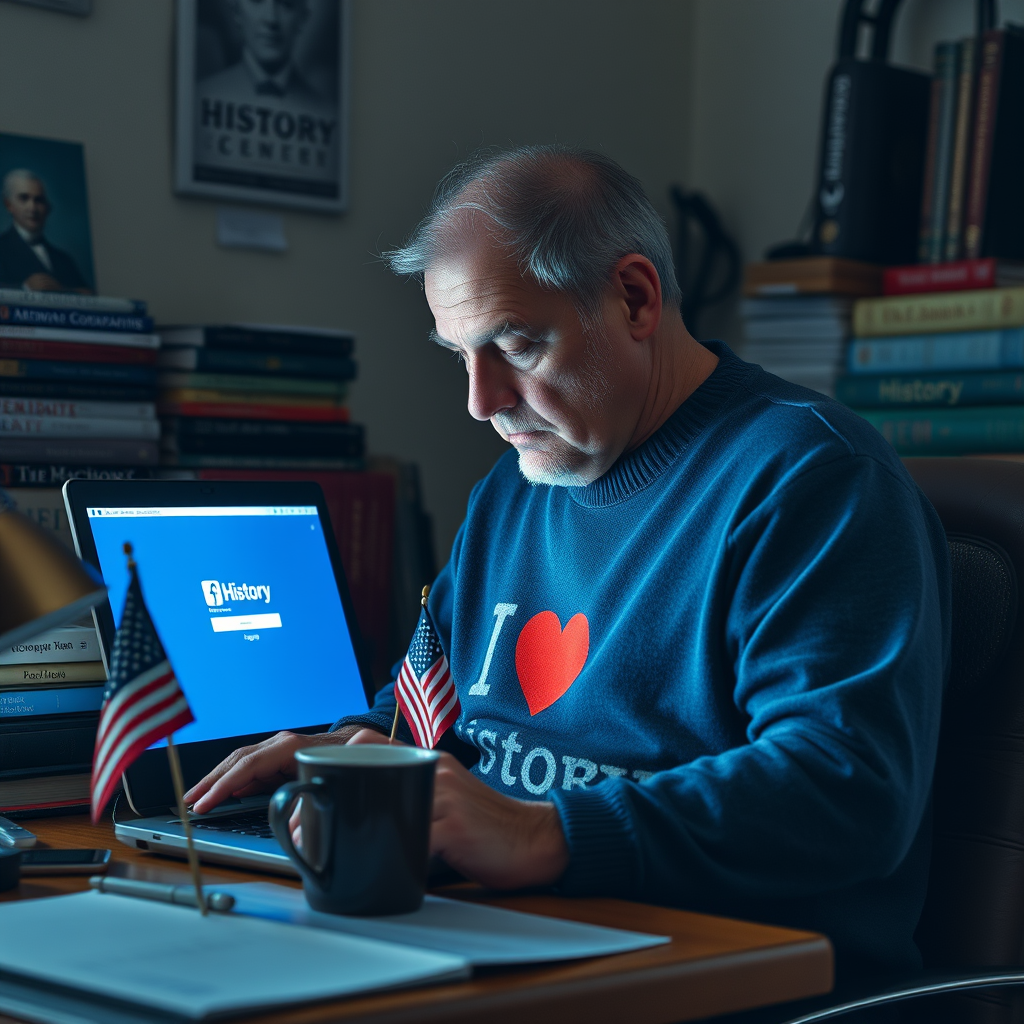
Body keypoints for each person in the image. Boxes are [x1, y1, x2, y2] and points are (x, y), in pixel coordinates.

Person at [186, 146, 950, 998]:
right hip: (512, 940)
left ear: (634, 298)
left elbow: (846, 788)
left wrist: (549, 833)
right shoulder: (513, 491)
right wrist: (357, 755)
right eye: (457, 353)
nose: (481, 400)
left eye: (515, 343)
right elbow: (433, 706)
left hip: (725, 980)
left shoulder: (812, 479)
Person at [200, 0, 322, 104]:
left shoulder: (326, 112)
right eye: (257, 1)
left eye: (286, 3)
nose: (271, 19)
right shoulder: (201, 96)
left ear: (303, 18)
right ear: (236, 10)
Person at [0, 169, 91, 293]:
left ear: (48, 208)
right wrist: (24, 288)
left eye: (39, 200)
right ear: (8, 205)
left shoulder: (63, 259)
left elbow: (89, 295)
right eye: (24, 198)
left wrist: (61, 290)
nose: (32, 208)